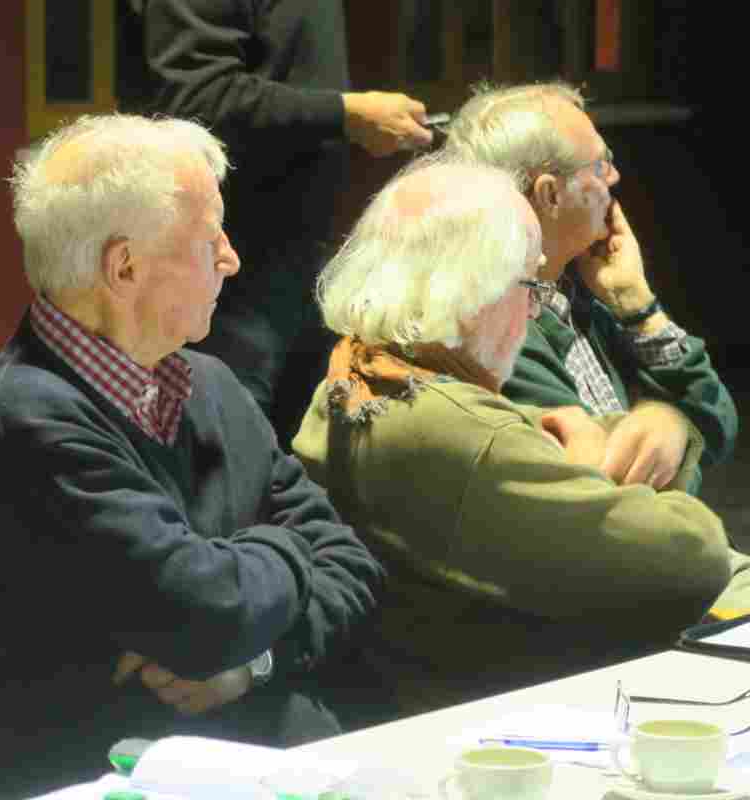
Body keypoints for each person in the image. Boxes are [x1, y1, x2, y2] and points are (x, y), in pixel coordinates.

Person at [0, 114, 387, 798]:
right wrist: (287, 550)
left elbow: (352, 566)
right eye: (210, 239)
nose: (231, 259)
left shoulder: (212, 386)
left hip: (246, 752)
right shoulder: (21, 421)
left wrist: (252, 662)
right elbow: (204, 613)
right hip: (102, 778)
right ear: (124, 267)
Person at [291, 155, 750, 715]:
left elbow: (553, 432)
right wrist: (598, 467)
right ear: (467, 290)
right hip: (507, 721)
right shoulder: (449, 430)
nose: (534, 312)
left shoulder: (363, 374)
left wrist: (666, 425)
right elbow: (693, 557)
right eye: (530, 286)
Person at [117, 0, 434, 446]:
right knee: (223, 455)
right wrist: (344, 114)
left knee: (298, 457)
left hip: (303, 259)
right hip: (223, 275)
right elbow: (194, 100)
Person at [443, 81, 737, 494]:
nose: (615, 177)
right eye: (600, 166)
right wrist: (678, 432)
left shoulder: (573, 288)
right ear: (550, 195)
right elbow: (617, 493)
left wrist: (636, 305)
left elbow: (719, 420)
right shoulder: (499, 329)